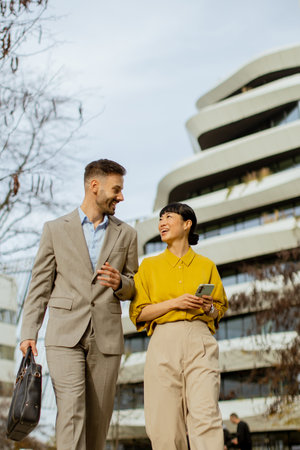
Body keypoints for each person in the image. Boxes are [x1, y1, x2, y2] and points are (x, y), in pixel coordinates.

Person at [20, 159, 138, 450]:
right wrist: (29, 332)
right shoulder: (55, 229)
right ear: (93, 185)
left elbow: (136, 285)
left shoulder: (128, 234)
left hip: (107, 337)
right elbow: (39, 285)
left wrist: (120, 282)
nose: (121, 197)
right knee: (71, 410)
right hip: (64, 335)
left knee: (98, 420)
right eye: (116, 189)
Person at [129, 202, 228, 450]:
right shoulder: (149, 267)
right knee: (164, 425)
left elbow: (219, 310)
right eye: (160, 219)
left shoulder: (207, 266)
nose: (162, 222)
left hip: (200, 340)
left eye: (168, 217)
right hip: (163, 342)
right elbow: (140, 313)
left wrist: (208, 308)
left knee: (206, 416)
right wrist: (175, 303)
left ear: (187, 224)